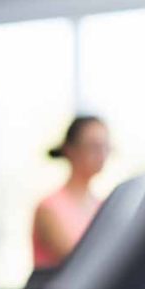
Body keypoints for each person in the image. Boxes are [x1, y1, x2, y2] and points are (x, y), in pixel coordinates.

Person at [32, 115, 111, 271]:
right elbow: (77, 260)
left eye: (105, 147)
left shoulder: (103, 205)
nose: (101, 155)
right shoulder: (49, 208)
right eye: (93, 147)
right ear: (71, 150)